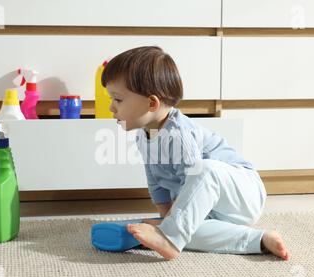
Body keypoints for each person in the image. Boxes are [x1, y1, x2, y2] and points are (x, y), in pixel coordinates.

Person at [101, 46, 290, 261]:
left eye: (118, 99)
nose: (111, 108)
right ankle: (261, 240)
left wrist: (171, 225)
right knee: (186, 227)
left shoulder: (179, 134)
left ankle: (170, 238)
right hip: (215, 208)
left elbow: (194, 183)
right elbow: (155, 181)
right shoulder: (143, 136)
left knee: (200, 172)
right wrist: (166, 217)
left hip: (243, 193)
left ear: (151, 103)